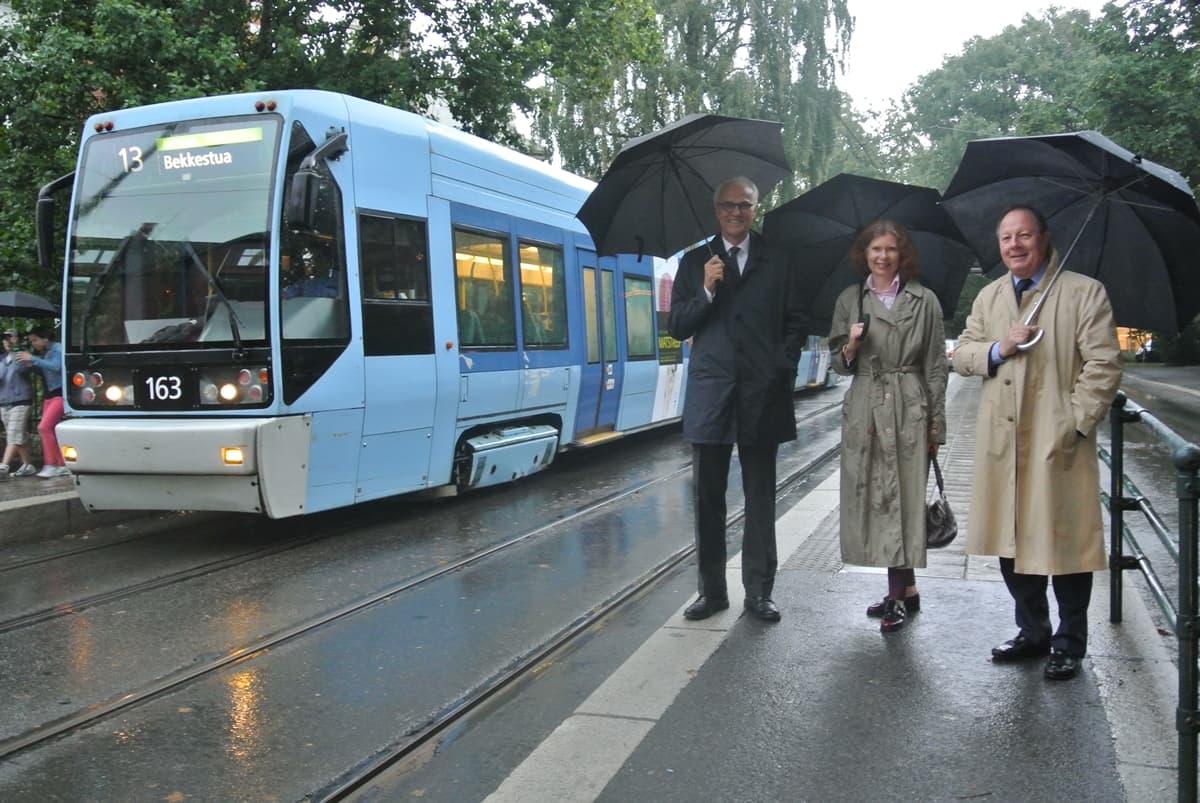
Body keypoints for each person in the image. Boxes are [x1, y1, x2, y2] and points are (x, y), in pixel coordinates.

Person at [952, 204, 1121, 680]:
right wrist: (998, 348)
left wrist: (1074, 423)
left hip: (1057, 440)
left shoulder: (1084, 292)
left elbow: (1104, 365)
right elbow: (962, 353)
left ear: (1044, 238)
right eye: (1006, 238)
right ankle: (1033, 631)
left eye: (1024, 235)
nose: (1014, 245)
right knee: (1011, 538)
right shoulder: (989, 297)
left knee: (1065, 542)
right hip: (1002, 442)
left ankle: (1069, 641)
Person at [668, 176, 807, 623]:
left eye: (744, 205)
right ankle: (711, 592)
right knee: (707, 499)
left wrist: (781, 364)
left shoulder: (778, 259)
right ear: (717, 210)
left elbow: (796, 320)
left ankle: (760, 592)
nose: (735, 212)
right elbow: (678, 327)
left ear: (755, 208)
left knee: (761, 497)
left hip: (763, 393)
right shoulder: (695, 263)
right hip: (712, 394)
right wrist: (706, 290)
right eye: (728, 205)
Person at [828, 220, 947, 632]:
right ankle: (906, 590)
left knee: (904, 498)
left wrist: (935, 426)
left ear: (902, 254)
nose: (882, 256)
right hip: (866, 407)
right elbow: (840, 366)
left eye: (890, 249)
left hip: (909, 404)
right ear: (864, 254)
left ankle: (896, 596)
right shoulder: (850, 299)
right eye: (875, 249)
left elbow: (936, 366)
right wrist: (851, 345)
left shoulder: (924, 300)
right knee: (876, 498)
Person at [16, 325, 70, 478]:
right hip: (50, 394)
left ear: (45, 339)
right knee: (50, 429)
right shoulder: (46, 352)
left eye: (35, 340)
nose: (33, 343)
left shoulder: (57, 349)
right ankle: (61, 464)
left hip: (60, 394)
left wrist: (33, 359)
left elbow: (56, 367)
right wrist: (32, 365)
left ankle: (51, 464)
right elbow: (47, 371)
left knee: (44, 427)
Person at [0, 328, 37, 478]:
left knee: (14, 434)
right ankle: (28, 465)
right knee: (18, 434)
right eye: (5, 338)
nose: (8, 341)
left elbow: (24, 370)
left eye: (11, 338)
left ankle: (3, 466)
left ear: (18, 340)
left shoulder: (23, 356)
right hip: (4, 401)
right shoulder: (2, 358)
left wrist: (18, 351)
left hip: (21, 400)